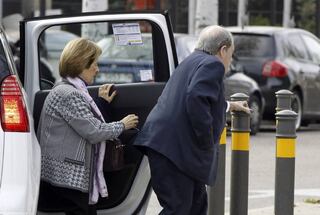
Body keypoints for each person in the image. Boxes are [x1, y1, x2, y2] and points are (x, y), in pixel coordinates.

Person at [134, 25, 250, 214]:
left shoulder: (192, 60)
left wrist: (228, 105)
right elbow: (196, 97)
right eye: (231, 54)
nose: (230, 60)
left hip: (169, 147)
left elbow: (198, 97)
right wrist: (206, 141)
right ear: (223, 49)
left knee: (196, 206)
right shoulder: (214, 65)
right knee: (178, 208)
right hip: (175, 151)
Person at [37, 38, 138, 215]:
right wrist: (122, 125)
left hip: (64, 172)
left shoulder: (68, 89)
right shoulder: (69, 94)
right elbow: (94, 131)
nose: (97, 69)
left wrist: (101, 104)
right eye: (95, 64)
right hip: (68, 174)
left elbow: (84, 122)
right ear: (81, 63)